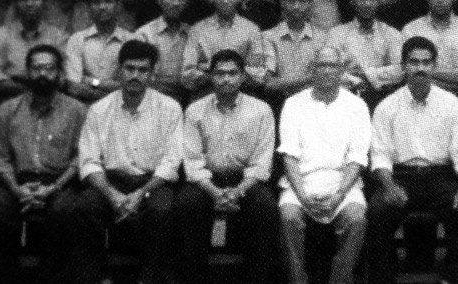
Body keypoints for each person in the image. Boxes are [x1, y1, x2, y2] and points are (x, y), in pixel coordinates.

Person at [63, 40, 183, 284]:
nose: (135, 75)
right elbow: (89, 161)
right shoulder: (99, 109)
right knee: (85, 206)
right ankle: (98, 278)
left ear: (152, 74)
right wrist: (112, 194)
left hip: (152, 182)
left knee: (162, 210)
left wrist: (141, 192)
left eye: (142, 70)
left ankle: (150, 279)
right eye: (129, 68)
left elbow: (172, 161)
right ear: (119, 70)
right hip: (111, 180)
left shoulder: (169, 108)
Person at [366, 36, 458, 284]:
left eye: (426, 62)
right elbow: (380, 155)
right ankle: (384, 278)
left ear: (434, 66)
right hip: (401, 176)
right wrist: (389, 186)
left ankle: (454, 278)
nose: (420, 68)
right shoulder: (386, 106)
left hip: (441, 176)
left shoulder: (453, 105)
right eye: (414, 62)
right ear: (403, 66)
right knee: (377, 210)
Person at [0, 44, 86, 284]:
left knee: (64, 211)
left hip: (60, 181)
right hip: (17, 181)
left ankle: (51, 278)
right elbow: (1, 158)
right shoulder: (7, 109)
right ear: (27, 72)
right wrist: (18, 190)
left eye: (49, 68)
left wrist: (54, 188)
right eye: (36, 68)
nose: (42, 74)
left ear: (59, 73)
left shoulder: (77, 110)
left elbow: (80, 157)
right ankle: (10, 277)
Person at [176, 49, 279, 284]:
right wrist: (214, 192)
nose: (226, 79)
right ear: (211, 77)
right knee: (187, 203)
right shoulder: (195, 110)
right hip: (207, 180)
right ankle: (194, 279)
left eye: (232, 73)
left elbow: (262, 162)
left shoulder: (261, 110)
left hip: (246, 180)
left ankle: (256, 279)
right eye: (220, 73)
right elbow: (192, 160)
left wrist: (237, 190)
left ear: (243, 76)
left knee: (265, 206)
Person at [278, 46, 372, 284]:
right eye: (321, 65)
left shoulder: (357, 106)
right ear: (312, 69)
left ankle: (340, 280)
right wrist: (302, 195)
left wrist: (338, 196)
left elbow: (357, 158)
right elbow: (289, 155)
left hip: (343, 184)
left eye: (333, 66)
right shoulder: (293, 104)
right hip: (300, 182)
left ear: (342, 70)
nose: (327, 71)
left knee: (356, 219)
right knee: (288, 216)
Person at [0, 0, 68, 102]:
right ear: (15, 3)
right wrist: (37, 88)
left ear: (45, 1)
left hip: (51, 103)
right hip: (10, 102)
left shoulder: (59, 37)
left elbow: (63, 79)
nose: (29, 4)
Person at [181, 0, 265, 94]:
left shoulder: (251, 30)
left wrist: (207, 68)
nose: (225, 0)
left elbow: (258, 75)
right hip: (206, 94)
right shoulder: (198, 30)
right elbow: (187, 75)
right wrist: (230, 74)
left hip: (242, 94)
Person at [326, 0, 403, 109]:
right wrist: (377, 76)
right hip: (346, 102)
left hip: (384, 101)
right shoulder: (336, 34)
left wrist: (364, 75)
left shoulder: (392, 34)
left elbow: (401, 70)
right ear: (352, 0)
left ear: (380, 0)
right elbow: (331, 70)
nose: (367, 3)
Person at [64, 0, 139, 103]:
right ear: (88, 7)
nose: (102, 7)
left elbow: (132, 87)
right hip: (85, 108)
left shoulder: (133, 41)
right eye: (96, 2)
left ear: (118, 5)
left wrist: (92, 81)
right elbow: (74, 88)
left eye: (108, 1)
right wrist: (113, 90)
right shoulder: (76, 40)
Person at [262, 0, 327, 109]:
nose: (296, 6)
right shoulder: (267, 37)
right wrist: (309, 78)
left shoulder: (323, 38)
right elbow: (269, 84)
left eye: (302, 0)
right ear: (282, 2)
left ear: (311, 2)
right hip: (280, 105)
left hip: (314, 106)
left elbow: (325, 80)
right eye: (291, 0)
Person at [135, 0, 194, 103]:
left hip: (186, 98)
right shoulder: (144, 34)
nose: (176, 3)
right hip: (151, 99)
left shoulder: (193, 33)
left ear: (187, 2)